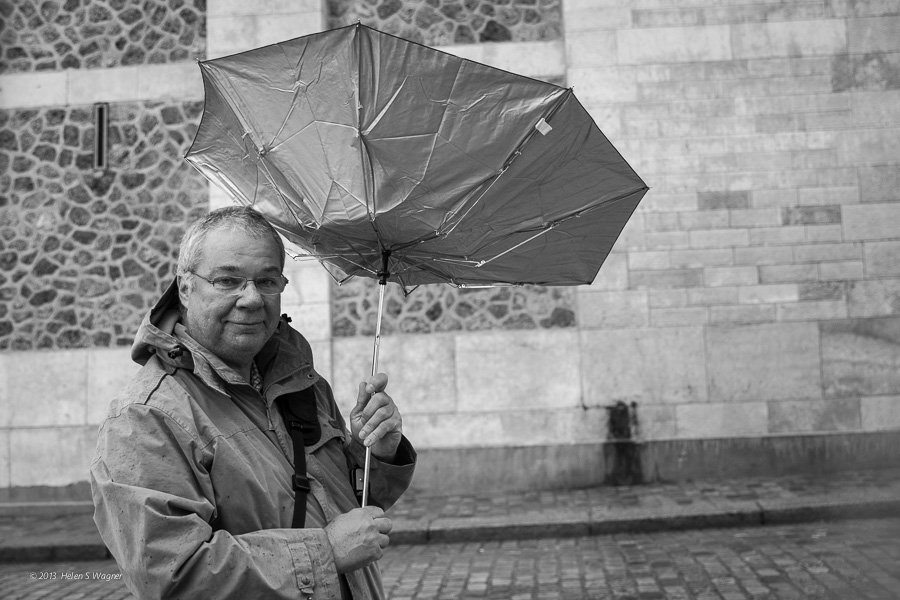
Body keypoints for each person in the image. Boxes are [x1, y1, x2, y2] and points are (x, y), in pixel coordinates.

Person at [91, 206, 416, 600]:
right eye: (227, 280)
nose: (251, 299)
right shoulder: (145, 418)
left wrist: (378, 452)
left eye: (267, 281)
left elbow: (349, 508)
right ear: (185, 288)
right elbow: (173, 578)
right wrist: (326, 552)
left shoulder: (303, 384)